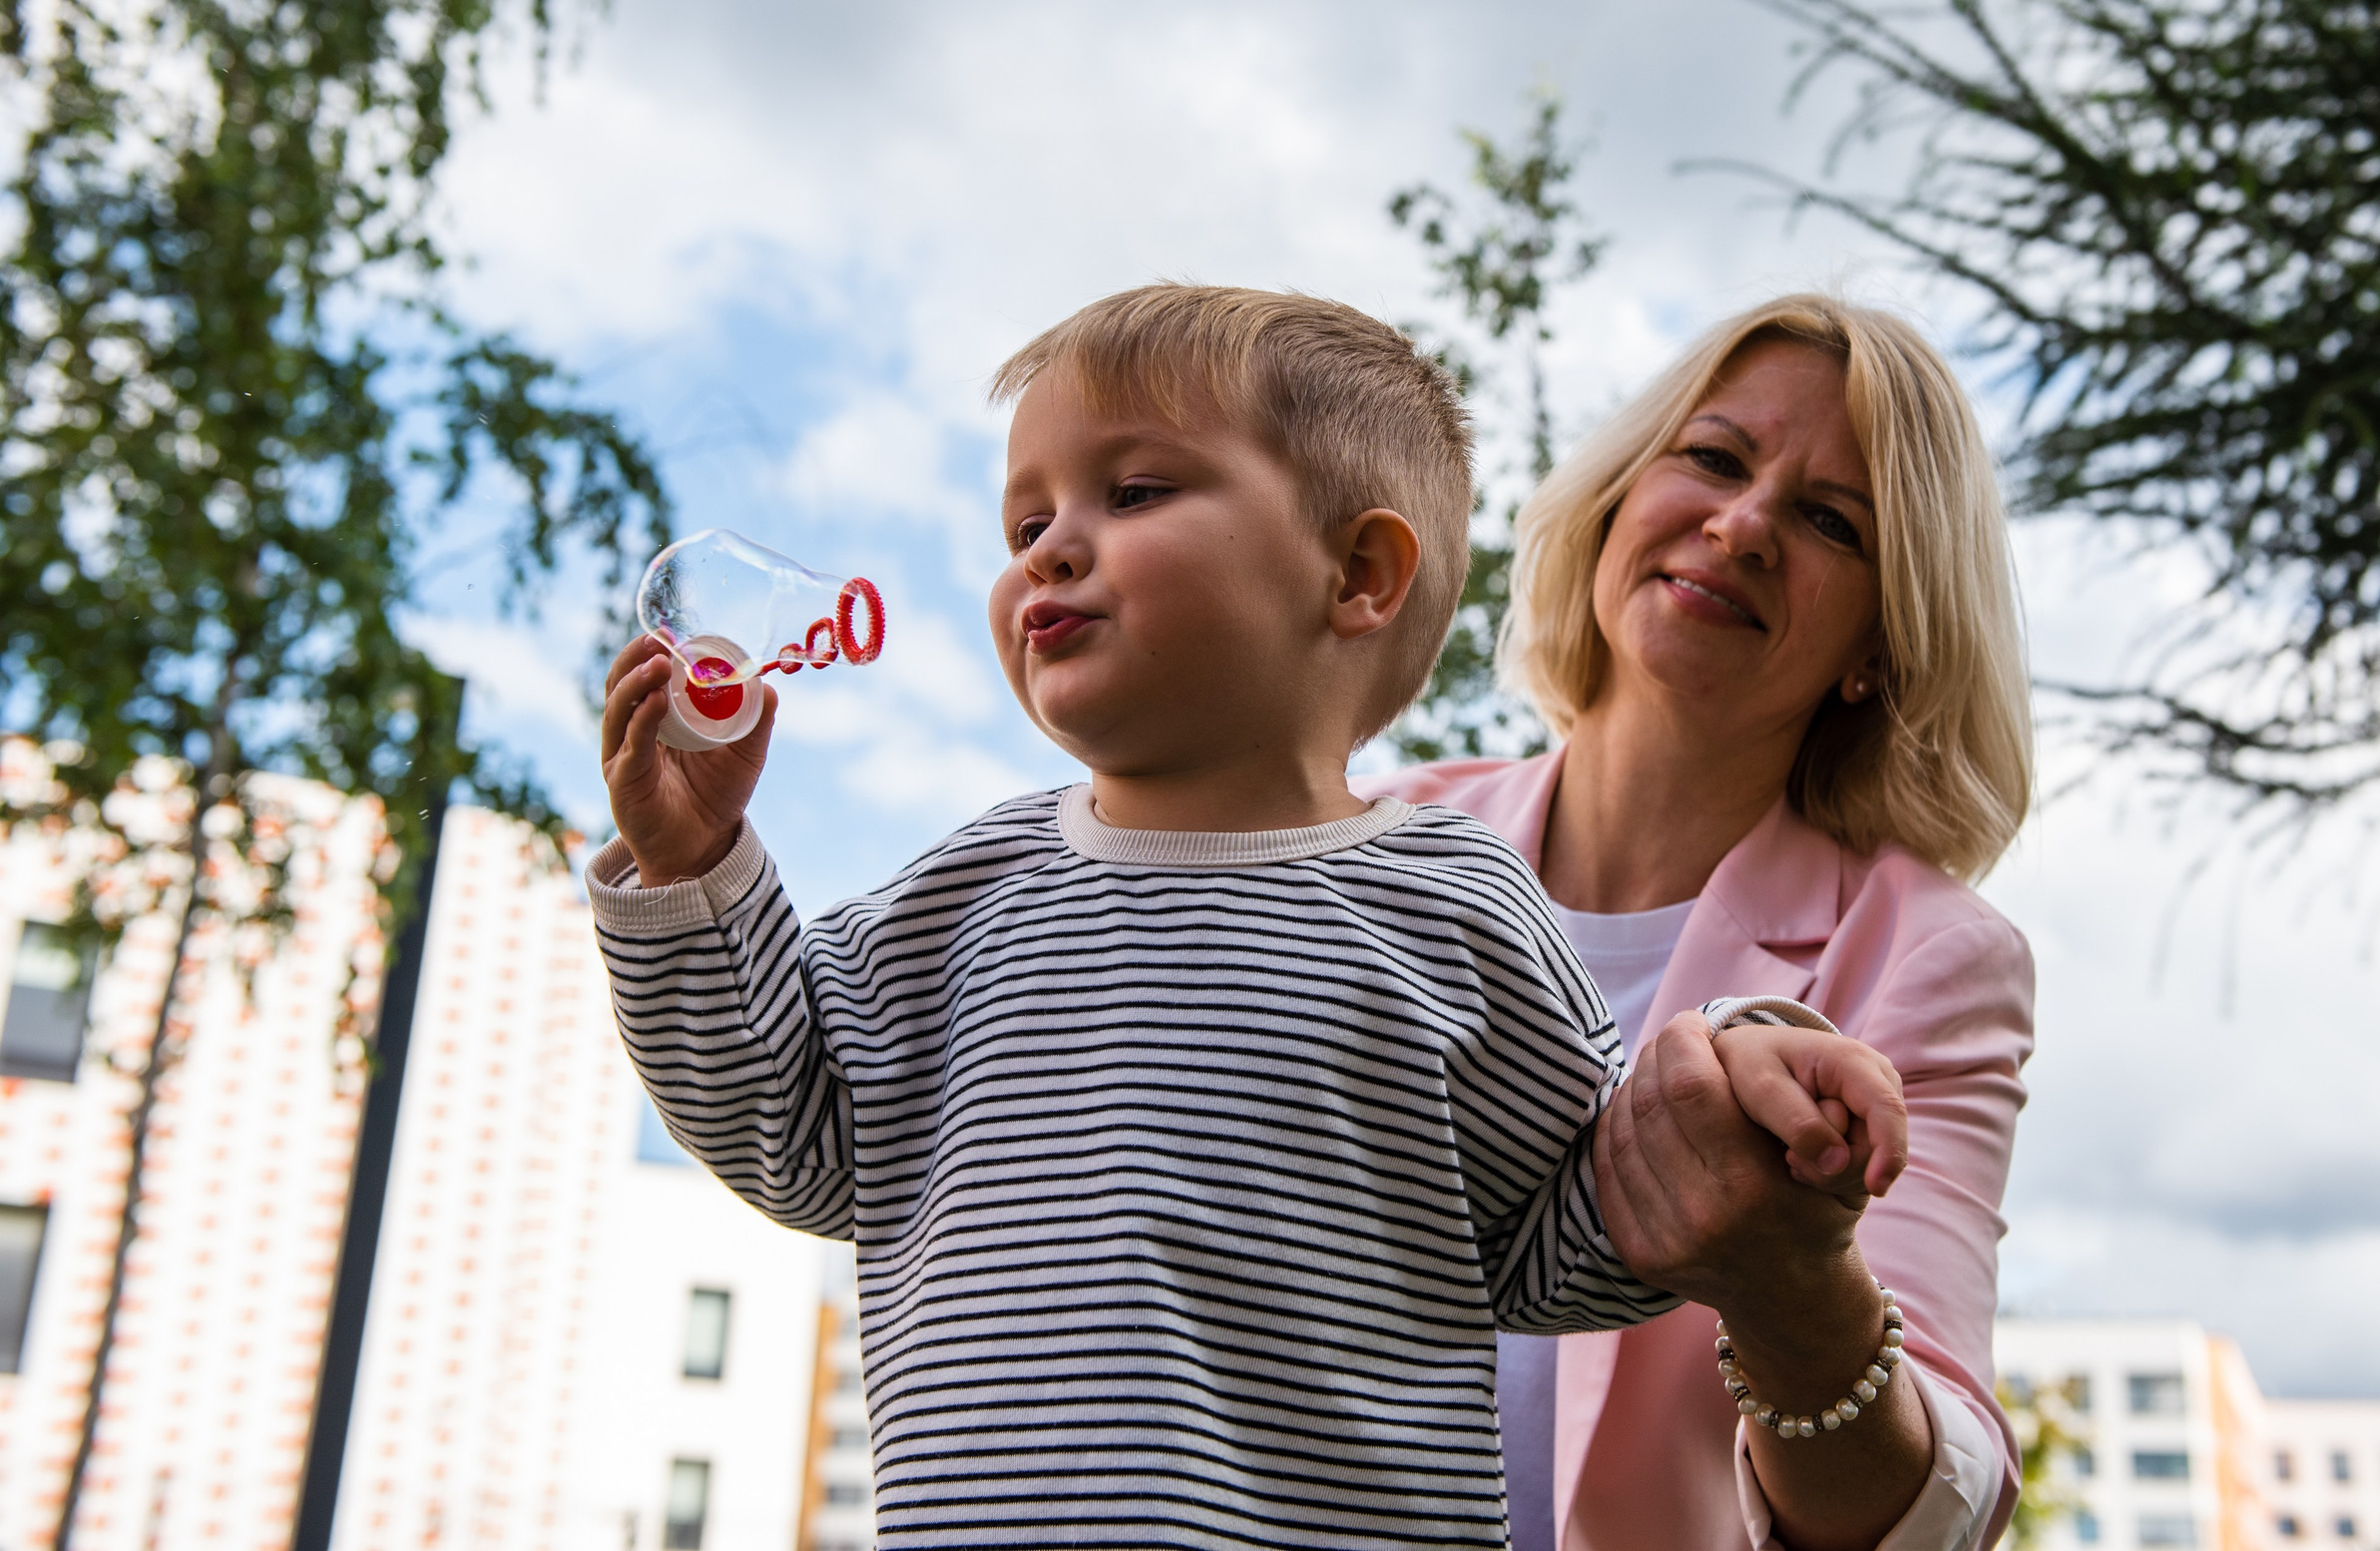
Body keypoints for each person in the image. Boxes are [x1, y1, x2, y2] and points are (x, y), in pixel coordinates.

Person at [586, 284, 1861, 1549]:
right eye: (1027, 519)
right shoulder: (960, 899)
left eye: (1132, 491)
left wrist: (1730, 1106)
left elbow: (1562, 1237)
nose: (1047, 548)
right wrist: (694, 867)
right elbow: (790, 1128)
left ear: (1357, 574)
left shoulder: (1452, 907)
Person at [1364, 293, 2036, 1551]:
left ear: (1880, 646)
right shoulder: (1364, 841)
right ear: (1615, 502)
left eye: (1831, 520)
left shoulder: (1929, 955)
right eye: (1715, 458)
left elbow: (1935, 1514)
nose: (1742, 526)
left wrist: (1794, 1295)